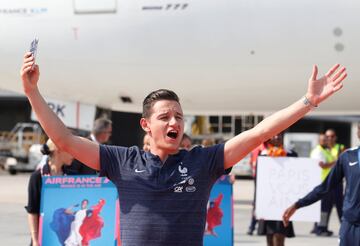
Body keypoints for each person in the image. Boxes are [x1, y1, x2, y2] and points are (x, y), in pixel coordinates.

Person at [20, 51, 347, 245]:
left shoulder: (203, 162)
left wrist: (307, 103)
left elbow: (259, 131)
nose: (174, 121)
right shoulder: (120, 160)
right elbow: (63, 140)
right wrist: (33, 91)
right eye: (165, 116)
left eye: (179, 115)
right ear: (146, 125)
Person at [283, 123, 360, 246]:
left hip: (342, 199)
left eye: (332, 136)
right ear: (358, 132)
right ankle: (321, 228)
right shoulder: (347, 156)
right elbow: (325, 187)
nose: (329, 139)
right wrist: (298, 204)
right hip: (350, 225)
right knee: (325, 211)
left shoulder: (340, 150)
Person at [25, 138, 74, 246]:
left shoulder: (72, 177)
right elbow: (32, 211)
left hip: (66, 236)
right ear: (59, 150)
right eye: (70, 150)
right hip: (44, 236)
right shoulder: (38, 177)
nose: (73, 154)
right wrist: (35, 240)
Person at [257, 133, 297, 246]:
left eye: (279, 135)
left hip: (284, 200)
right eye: (274, 135)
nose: (276, 137)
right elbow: (259, 181)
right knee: (269, 235)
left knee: (280, 234)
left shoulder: (291, 155)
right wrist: (256, 203)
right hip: (268, 200)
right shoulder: (263, 155)